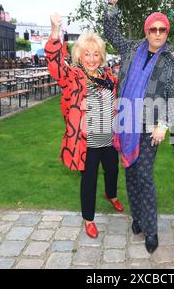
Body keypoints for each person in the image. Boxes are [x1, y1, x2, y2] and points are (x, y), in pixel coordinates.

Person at [104, 0, 174, 254]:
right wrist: (112, 4)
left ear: (166, 32)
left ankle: (151, 229)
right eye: (154, 29)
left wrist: (163, 125)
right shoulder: (130, 49)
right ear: (147, 30)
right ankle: (137, 217)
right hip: (125, 122)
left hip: (151, 128)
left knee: (145, 175)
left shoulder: (171, 61)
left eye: (163, 29)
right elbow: (111, 33)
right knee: (131, 173)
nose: (158, 33)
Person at [45, 13, 124, 239]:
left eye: (95, 54)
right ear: (79, 55)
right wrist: (55, 31)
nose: (91, 58)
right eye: (86, 54)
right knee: (89, 180)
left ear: (102, 56)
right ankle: (89, 219)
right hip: (86, 142)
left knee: (112, 170)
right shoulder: (73, 75)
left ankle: (111, 194)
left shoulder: (109, 76)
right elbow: (55, 65)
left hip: (108, 138)